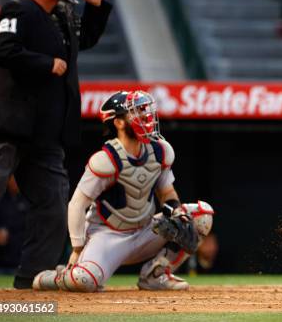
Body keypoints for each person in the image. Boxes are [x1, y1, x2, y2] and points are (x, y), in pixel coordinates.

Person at [0, 0, 113, 289]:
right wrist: (44, 64)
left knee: (54, 207)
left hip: (45, 132)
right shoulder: (18, 9)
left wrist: (95, 9)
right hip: (6, 128)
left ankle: (32, 280)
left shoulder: (63, 15)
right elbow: (2, 49)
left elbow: (82, 43)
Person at [32, 90, 215, 292]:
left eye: (143, 110)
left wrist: (176, 212)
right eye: (135, 111)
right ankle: (53, 278)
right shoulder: (105, 160)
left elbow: (167, 193)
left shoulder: (160, 150)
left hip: (147, 229)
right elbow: (76, 205)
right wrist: (77, 249)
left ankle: (156, 274)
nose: (145, 115)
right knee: (83, 280)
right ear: (118, 122)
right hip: (108, 236)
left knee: (201, 215)